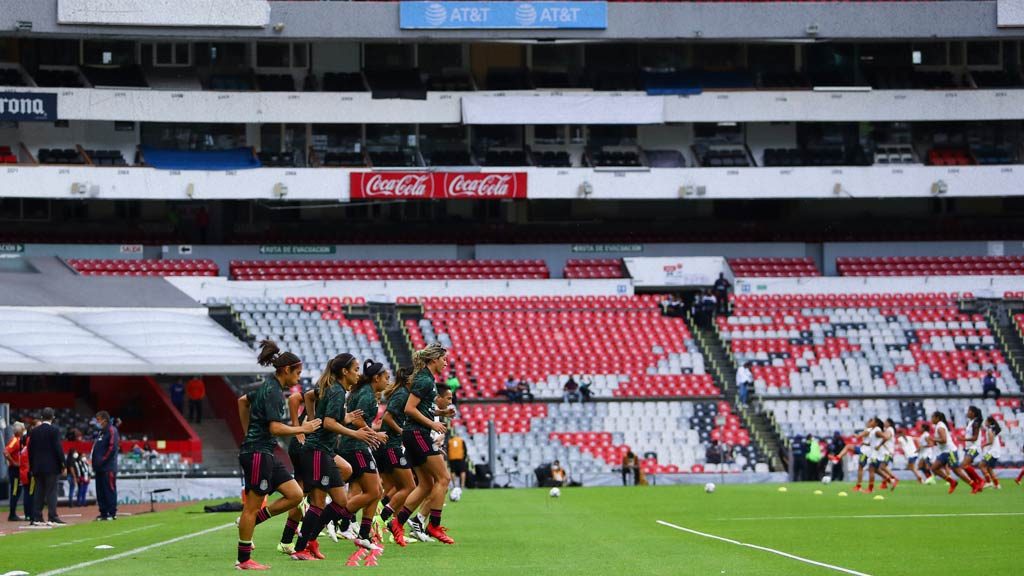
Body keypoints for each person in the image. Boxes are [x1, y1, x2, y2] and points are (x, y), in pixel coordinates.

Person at [235, 340, 322, 570]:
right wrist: (303, 428)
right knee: (251, 506)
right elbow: (275, 428)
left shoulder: (268, 387)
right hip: (257, 452)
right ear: (286, 370)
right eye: (298, 373)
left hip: (265, 451)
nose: (299, 377)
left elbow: (242, 401)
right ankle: (243, 560)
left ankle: (250, 522)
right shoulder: (273, 391)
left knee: (294, 494)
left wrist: (247, 432)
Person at [392, 343, 455, 545]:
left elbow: (422, 408)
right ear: (434, 359)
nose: (446, 362)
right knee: (443, 478)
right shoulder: (424, 379)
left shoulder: (427, 379)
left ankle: (398, 523)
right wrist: (432, 424)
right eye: (444, 359)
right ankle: (433, 525)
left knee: (427, 483)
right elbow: (410, 409)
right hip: (418, 433)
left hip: (414, 434)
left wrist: (440, 413)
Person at [378, 367, 416, 547]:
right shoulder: (402, 394)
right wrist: (402, 432)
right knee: (410, 486)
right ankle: (382, 518)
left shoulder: (404, 393)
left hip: (390, 445)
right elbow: (387, 417)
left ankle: (396, 530)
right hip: (391, 445)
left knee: (400, 487)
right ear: (409, 380)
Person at [28, 407, 65, 526]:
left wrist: (32, 466)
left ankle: (37, 516)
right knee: (51, 492)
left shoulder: (34, 431)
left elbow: (30, 450)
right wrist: (63, 463)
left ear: (41, 417)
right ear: (53, 418)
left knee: (39, 492)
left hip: (37, 467)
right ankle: (52, 516)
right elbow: (58, 448)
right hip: (52, 466)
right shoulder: (54, 430)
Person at [929, 411, 973, 494]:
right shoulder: (939, 426)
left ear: (937, 418)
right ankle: (952, 482)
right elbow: (940, 441)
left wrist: (933, 439)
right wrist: (934, 442)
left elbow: (944, 440)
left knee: (957, 471)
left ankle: (973, 485)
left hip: (950, 452)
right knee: (934, 468)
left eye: (932, 417)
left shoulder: (940, 427)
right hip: (944, 452)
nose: (931, 419)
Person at [92, 410, 121, 521]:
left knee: (109, 489)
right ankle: (103, 512)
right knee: (100, 491)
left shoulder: (112, 430)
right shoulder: (101, 432)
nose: (97, 422)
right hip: (99, 468)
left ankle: (111, 512)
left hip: (108, 467)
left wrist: (102, 460)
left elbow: (112, 448)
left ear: (104, 419)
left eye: (98, 419)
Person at [960, 406, 986, 493]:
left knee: (964, 465)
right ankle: (976, 485)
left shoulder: (976, 423)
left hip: (974, 447)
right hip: (969, 447)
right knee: (965, 467)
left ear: (973, 413)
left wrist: (963, 439)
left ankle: (980, 481)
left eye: (969, 411)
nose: (967, 412)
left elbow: (975, 438)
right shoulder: (971, 422)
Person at [5, 421, 26, 521]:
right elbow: (6, 452)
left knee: (18, 491)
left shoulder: (19, 440)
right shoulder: (14, 440)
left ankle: (13, 513)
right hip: (14, 470)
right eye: (23, 429)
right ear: (20, 430)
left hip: (17, 469)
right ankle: (12, 514)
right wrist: (13, 462)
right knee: (15, 491)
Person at [978, 416, 1003, 490]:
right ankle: (997, 485)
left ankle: (988, 482)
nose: (985, 422)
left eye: (986, 421)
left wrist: (983, 445)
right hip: (996, 451)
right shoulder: (992, 429)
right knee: (989, 469)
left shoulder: (990, 430)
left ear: (989, 422)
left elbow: (991, 441)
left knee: (981, 465)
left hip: (992, 452)